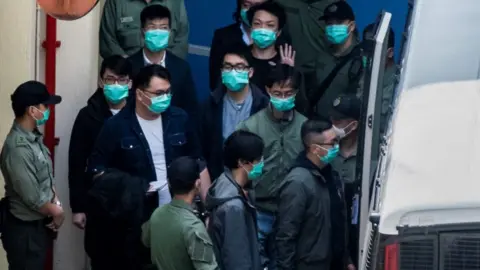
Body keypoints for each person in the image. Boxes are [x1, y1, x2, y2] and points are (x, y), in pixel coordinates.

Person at [87, 64, 210, 267]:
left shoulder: (180, 119)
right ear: (140, 94)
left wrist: (207, 210)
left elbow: (199, 161)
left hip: (178, 216)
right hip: (136, 221)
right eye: (159, 93)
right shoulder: (116, 127)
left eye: (168, 92)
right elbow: (97, 172)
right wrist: (135, 187)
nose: (165, 98)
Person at [237, 64, 307, 269]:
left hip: (290, 212)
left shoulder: (305, 128)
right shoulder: (250, 127)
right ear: (268, 90)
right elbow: (237, 171)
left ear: (296, 93)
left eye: (288, 93)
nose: (283, 98)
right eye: (277, 93)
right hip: (258, 209)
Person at [67, 56, 133, 266]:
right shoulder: (88, 116)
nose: (115, 85)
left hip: (133, 202)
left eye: (121, 80)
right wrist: (78, 207)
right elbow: (76, 163)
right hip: (99, 203)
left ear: (130, 83)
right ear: (101, 82)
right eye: (110, 79)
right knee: (101, 258)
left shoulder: (140, 114)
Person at [0, 81, 64, 270]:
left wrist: (55, 200)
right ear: (32, 110)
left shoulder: (33, 138)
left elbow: (44, 177)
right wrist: (57, 212)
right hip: (24, 230)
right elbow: (32, 197)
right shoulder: (17, 148)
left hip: (36, 226)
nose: (48, 110)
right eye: (45, 106)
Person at [276, 119, 345, 270]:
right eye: (332, 143)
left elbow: (338, 219)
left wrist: (346, 259)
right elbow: (286, 235)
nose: (337, 147)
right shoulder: (297, 183)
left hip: (334, 262)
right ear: (315, 149)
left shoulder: (331, 174)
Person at [200, 48, 269, 181]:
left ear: (250, 72)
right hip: (219, 181)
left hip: (257, 182)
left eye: (239, 67)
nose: (233, 71)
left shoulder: (264, 105)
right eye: (228, 66)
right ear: (222, 71)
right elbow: (202, 150)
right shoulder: (210, 105)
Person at [141, 156, 218, 270]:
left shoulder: (157, 214)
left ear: (169, 183)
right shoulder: (193, 227)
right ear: (198, 184)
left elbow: (145, 240)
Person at [205, 130, 264, 270]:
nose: (262, 163)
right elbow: (237, 259)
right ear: (243, 162)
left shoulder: (224, 182)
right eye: (259, 159)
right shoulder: (233, 207)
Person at [128, 4, 198, 119]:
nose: (158, 32)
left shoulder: (182, 68)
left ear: (170, 31)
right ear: (142, 31)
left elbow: (191, 110)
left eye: (163, 28)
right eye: (152, 27)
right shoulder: (129, 66)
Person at [297, 1, 363, 120]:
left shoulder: (361, 59)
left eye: (339, 23)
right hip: (320, 124)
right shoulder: (322, 55)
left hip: (345, 128)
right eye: (329, 23)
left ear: (352, 26)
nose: (333, 27)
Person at [209, 0, 290, 90]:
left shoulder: (284, 45)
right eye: (247, 5)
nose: (252, 9)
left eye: (269, 25)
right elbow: (216, 82)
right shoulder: (223, 37)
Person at [329, 94, 361, 268]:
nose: (333, 125)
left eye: (339, 121)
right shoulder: (326, 150)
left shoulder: (369, 155)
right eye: (332, 119)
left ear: (353, 124)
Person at [100, 0, 189, 59]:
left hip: (166, 75)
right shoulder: (116, 2)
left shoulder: (175, 2)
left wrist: (165, 66)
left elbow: (181, 39)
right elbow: (108, 41)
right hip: (127, 75)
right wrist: (127, 67)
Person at [245, 1, 296, 94]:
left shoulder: (286, 62)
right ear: (251, 28)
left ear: (278, 32)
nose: (263, 29)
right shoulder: (239, 58)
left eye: (270, 25)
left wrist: (289, 73)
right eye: (257, 23)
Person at [362, 23, 398, 135]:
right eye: (365, 51)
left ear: (390, 53)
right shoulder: (366, 73)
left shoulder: (398, 82)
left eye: (374, 52)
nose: (368, 56)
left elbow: (385, 122)